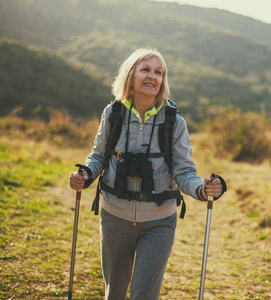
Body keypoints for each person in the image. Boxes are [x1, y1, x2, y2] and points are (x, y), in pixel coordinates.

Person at [69, 47, 226, 300]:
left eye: (159, 72)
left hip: (159, 221)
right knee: (115, 293)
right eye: (146, 69)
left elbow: (184, 170)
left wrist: (202, 188)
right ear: (130, 75)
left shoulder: (174, 122)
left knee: (144, 295)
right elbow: (98, 156)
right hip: (115, 216)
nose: (153, 76)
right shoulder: (113, 114)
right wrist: (85, 174)